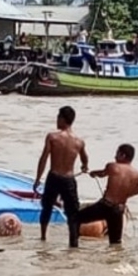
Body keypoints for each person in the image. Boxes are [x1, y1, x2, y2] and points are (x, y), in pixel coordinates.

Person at [33, 106, 89, 248]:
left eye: (58, 117)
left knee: (47, 208)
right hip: (68, 180)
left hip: (54, 177)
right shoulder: (79, 141)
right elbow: (84, 158)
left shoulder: (53, 137)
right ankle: (73, 243)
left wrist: (38, 179)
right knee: (72, 213)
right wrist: (84, 166)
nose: (56, 120)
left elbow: (44, 158)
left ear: (63, 119)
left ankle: (43, 237)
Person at [78, 144, 138, 245]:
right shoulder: (137, 175)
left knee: (75, 219)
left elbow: (103, 173)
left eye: (117, 154)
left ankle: (73, 249)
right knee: (115, 242)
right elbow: (131, 192)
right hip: (118, 210)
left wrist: (93, 173)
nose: (115, 157)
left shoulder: (113, 166)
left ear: (123, 155)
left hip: (105, 206)